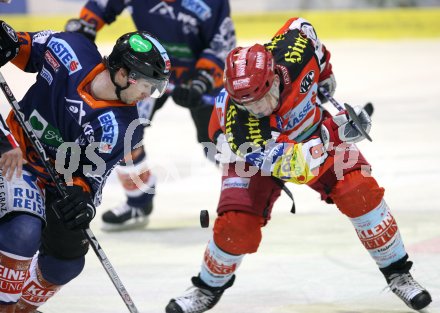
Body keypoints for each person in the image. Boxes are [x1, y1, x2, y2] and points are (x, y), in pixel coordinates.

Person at [165, 17, 432, 313]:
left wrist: (325, 75)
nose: (255, 109)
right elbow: (295, 165)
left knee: (360, 191)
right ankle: (206, 287)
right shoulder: (242, 128)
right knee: (236, 226)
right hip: (257, 158)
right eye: (246, 104)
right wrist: (337, 132)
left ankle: (398, 273)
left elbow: (304, 28)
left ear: (273, 77)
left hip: (309, 129)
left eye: (260, 98)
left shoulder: (295, 49)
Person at [0, 20, 170, 312]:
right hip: (13, 152)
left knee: (65, 261)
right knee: (22, 232)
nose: (148, 95)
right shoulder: (71, 49)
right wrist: (10, 45)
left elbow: (88, 178)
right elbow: (25, 49)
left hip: (57, 179)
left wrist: (82, 200)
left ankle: (22, 308)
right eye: (147, 85)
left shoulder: (121, 127)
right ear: (122, 74)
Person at [66, 0, 236, 231]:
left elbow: (221, 44)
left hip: (197, 76)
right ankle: (139, 202)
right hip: (145, 72)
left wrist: (202, 81)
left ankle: (245, 196)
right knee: (124, 135)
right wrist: (86, 25)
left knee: (218, 142)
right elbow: (101, 6)